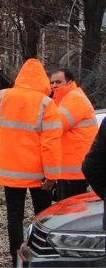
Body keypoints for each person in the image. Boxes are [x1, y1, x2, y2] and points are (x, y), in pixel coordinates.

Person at [0, 58, 62, 267]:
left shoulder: (3, 96)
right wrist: (52, 175)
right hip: (38, 173)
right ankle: (39, 257)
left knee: (14, 218)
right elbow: (50, 143)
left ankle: (16, 259)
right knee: (43, 218)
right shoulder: (46, 104)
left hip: (10, 170)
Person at [51, 68, 97, 200]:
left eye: (58, 82)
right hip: (70, 169)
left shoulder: (74, 99)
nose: (54, 85)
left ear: (70, 82)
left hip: (74, 170)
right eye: (52, 82)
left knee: (72, 211)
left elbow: (56, 125)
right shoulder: (65, 99)